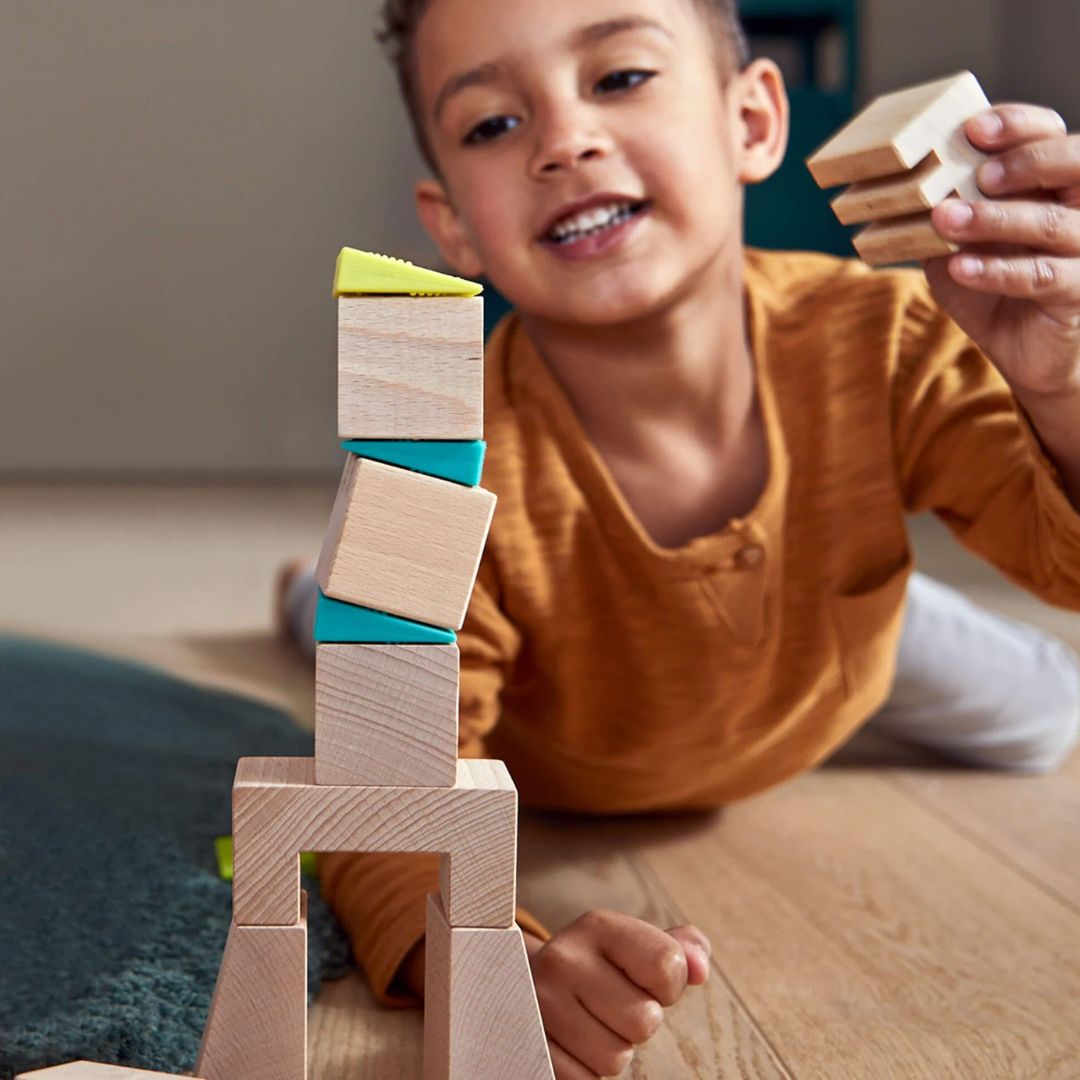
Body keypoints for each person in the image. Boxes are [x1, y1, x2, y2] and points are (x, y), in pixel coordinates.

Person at [281, 1, 1080, 1075]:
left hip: (829, 653)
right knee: (357, 634)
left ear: (751, 123)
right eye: (493, 125)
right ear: (453, 226)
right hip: (563, 727)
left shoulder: (884, 335)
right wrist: (486, 960)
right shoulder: (438, 471)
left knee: (1050, 714)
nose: (565, 140)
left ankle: (867, 596)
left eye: (618, 78)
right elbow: (379, 800)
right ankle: (312, 592)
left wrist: (1062, 387)